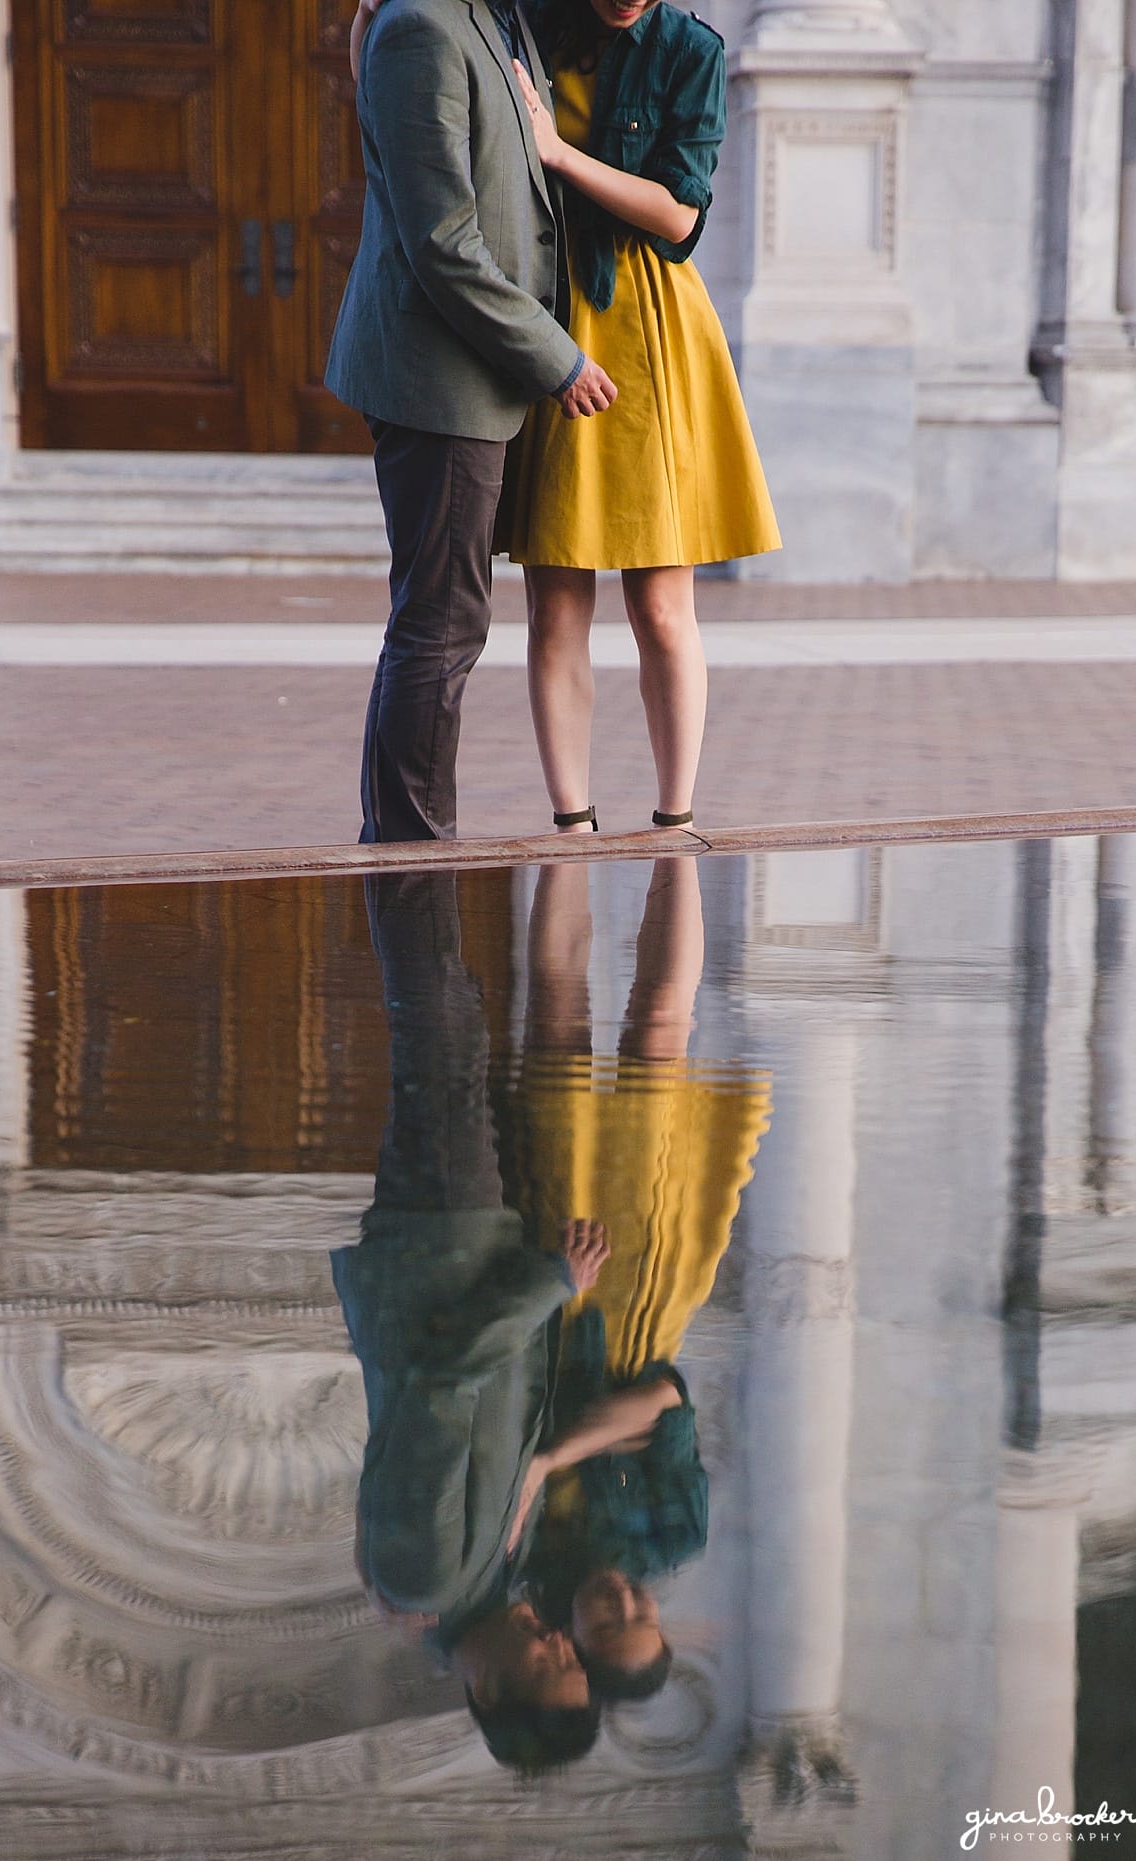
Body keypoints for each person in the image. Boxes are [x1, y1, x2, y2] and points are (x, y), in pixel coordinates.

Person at [332, 870, 608, 1769]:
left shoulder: (426, 1578)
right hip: (462, 1244)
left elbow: (442, 1382)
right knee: (449, 1020)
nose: (564, 1641)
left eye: (550, 1664)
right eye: (576, 1657)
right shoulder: (476, 1583)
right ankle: (412, 832)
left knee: (438, 1021)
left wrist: (551, 1283)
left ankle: (409, 823)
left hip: (440, 1244)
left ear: (488, 1688)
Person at [331, 0, 616, 843]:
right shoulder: (422, 24)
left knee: (438, 618)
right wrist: (555, 356)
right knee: (441, 623)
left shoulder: (493, 16)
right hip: (440, 377)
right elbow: (444, 242)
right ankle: (413, 854)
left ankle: (400, 843)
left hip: (476, 375)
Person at [499, 0, 782, 834]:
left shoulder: (690, 49)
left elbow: (678, 215)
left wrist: (557, 154)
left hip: (652, 322)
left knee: (661, 604)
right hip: (553, 316)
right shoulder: (530, 26)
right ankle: (572, 822)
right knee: (555, 602)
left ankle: (674, 818)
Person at [497, 856, 773, 1694]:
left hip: (549, 1285)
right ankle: (675, 829)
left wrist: (605, 1432)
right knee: (659, 1030)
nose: (624, 1597)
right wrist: (551, 1459)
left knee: (554, 1021)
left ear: (572, 1642)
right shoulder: (673, 1537)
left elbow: (637, 1419)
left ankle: (568, 831)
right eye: (643, 1613)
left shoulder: (519, 1562)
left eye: (609, 1621)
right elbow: (663, 1400)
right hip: (642, 1288)